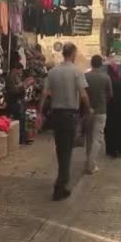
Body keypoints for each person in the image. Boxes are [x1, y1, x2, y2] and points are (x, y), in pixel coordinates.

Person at [37, 43, 91, 201]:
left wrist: (39, 112)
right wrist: (87, 111)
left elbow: (44, 94)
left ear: (63, 54)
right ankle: (60, 187)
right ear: (73, 54)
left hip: (56, 115)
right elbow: (83, 95)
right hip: (69, 116)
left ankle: (62, 182)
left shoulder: (52, 72)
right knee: (66, 151)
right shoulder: (76, 72)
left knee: (61, 149)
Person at [84, 55, 112, 174]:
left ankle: (88, 162)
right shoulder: (105, 77)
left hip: (87, 111)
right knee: (97, 139)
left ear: (91, 63)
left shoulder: (85, 76)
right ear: (101, 64)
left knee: (89, 138)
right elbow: (110, 95)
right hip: (101, 111)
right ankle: (91, 165)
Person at [6, 62, 34, 144]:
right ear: (15, 69)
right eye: (20, 70)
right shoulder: (10, 78)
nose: (20, 72)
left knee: (27, 116)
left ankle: (25, 137)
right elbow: (13, 91)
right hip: (14, 102)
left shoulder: (16, 77)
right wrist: (23, 86)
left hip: (19, 101)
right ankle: (22, 138)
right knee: (21, 118)